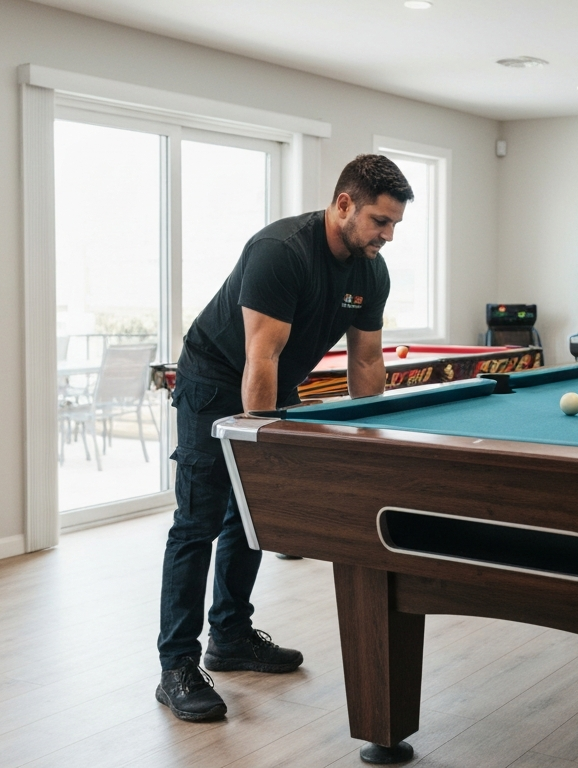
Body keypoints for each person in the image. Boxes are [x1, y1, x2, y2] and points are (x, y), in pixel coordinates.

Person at [156, 154, 412, 722]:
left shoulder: (371, 271)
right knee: (199, 521)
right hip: (215, 377)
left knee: (251, 513)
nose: (388, 235)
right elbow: (261, 356)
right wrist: (260, 445)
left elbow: (366, 361)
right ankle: (176, 667)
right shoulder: (281, 251)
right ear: (343, 204)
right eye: (380, 221)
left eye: (395, 224)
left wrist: (371, 439)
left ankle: (230, 636)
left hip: (274, 378)